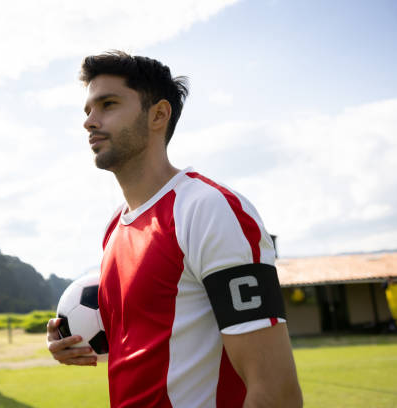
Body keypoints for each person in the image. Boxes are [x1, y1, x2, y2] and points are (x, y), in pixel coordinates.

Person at [47, 51, 303, 407]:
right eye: (88, 110)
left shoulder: (208, 209)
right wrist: (74, 341)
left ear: (158, 115)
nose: (90, 121)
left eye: (108, 104)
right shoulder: (114, 229)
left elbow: (276, 392)